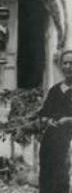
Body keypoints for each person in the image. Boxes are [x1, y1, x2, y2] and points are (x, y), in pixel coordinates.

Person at [37, 49, 72, 193]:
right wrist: (47, 120)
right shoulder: (54, 90)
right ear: (60, 65)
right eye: (65, 63)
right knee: (48, 180)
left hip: (69, 142)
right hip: (51, 142)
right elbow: (44, 113)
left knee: (65, 179)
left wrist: (68, 120)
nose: (69, 66)